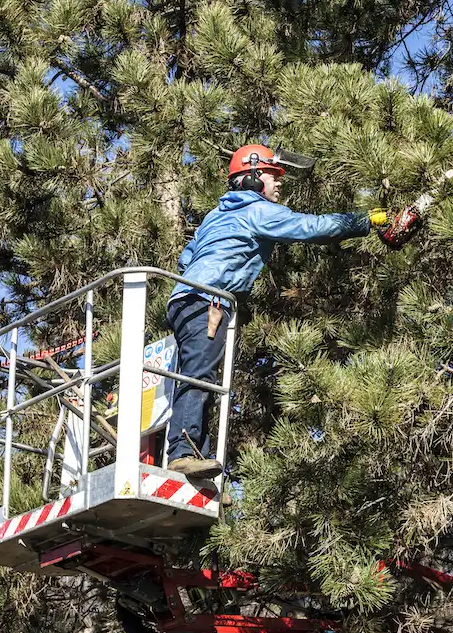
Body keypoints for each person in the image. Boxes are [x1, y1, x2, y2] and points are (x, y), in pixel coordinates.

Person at [165, 144, 388, 477]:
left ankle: (195, 460)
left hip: (183, 300)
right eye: (272, 176)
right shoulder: (256, 210)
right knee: (200, 376)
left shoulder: (214, 216)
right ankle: (181, 454)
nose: (279, 184)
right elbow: (311, 228)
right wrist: (365, 221)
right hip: (207, 302)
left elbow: (187, 259)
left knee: (201, 377)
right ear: (253, 178)